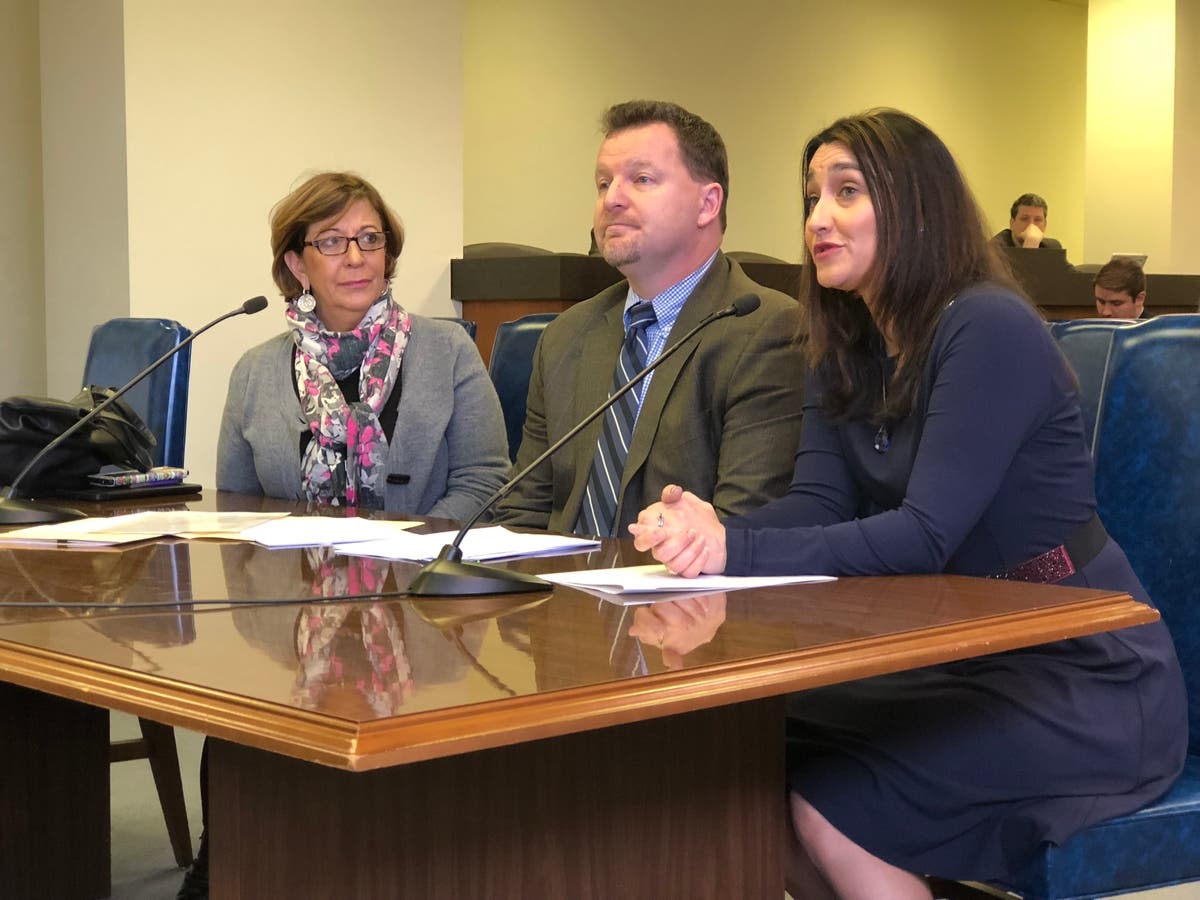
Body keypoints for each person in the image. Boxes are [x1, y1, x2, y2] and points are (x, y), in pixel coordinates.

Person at [630, 109, 1186, 898]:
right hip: (962, 657)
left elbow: (924, 536)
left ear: (916, 205)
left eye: (846, 192)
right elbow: (818, 505)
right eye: (811, 197)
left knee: (835, 805)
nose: (818, 218)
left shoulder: (986, 325)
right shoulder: (844, 344)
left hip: (1082, 674)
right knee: (746, 762)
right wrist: (712, 531)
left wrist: (734, 552)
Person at [492, 99, 805, 536]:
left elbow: (744, 528)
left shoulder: (768, 329)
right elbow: (522, 515)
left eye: (641, 179)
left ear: (707, 204)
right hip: (556, 595)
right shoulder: (566, 336)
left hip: (686, 598)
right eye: (603, 184)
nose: (612, 200)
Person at [216, 171, 509, 520]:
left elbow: (484, 483)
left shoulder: (448, 351)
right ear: (298, 265)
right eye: (331, 241)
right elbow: (237, 508)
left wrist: (407, 553)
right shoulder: (254, 371)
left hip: (420, 567)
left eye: (370, 239)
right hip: (289, 572)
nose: (356, 257)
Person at [991, 192, 1064, 249]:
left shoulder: (1052, 247)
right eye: (1024, 219)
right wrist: (1030, 245)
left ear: (1045, 225)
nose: (1031, 225)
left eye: (1037, 220)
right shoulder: (994, 249)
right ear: (1012, 223)